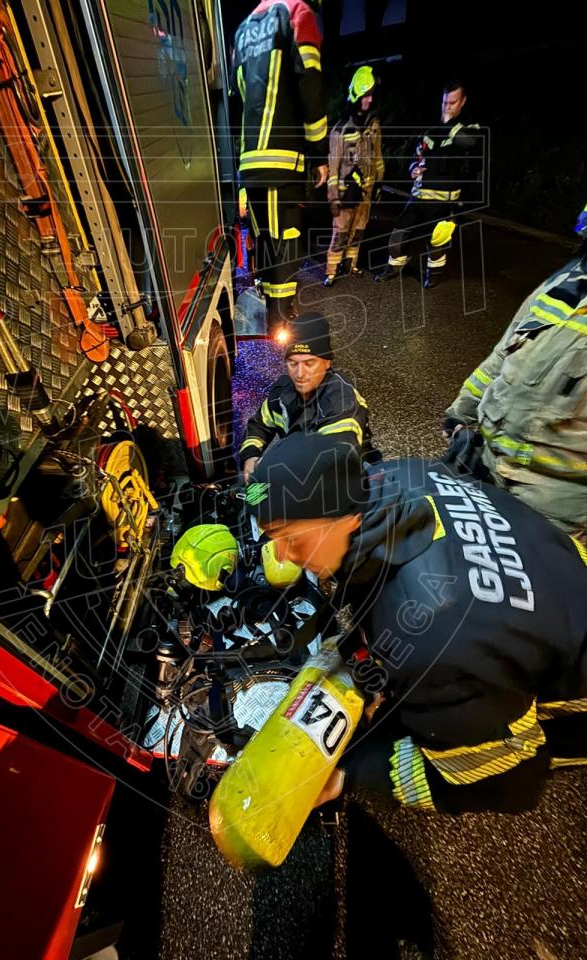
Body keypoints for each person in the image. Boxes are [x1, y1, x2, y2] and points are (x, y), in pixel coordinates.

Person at [244, 430, 587, 813]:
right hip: (563, 579)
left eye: (292, 538)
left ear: (351, 519)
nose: (282, 556)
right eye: (272, 536)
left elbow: (508, 783)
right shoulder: (403, 474)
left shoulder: (436, 641)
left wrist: (352, 772)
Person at [443, 202, 587, 541]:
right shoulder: (568, 279)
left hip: (554, 506)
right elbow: (507, 349)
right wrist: (461, 411)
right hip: (485, 467)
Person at [232, 0, 329, 329]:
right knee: (286, 241)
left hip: (250, 163)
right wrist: (319, 154)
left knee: (264, 240)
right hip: (283, 161)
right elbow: (310, 87)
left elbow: (235, 101)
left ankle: (270, 313)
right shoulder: (297, 14)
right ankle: (280, 320)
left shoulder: (243, 29)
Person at [238, 312, 375, 482]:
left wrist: (277, 467)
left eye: (309, 363)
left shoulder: (341, 400)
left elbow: (335, 456)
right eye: (293, 363)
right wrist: (250, 457)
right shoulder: (282, 392)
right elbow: (259, 425)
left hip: (346, 481)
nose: (300, 374)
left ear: (327, 363)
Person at [374, 80, 482, 289]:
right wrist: (413, 168)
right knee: (398, 233)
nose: (447, 107)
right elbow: (417, 155)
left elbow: (469, 143)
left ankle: (435, 273)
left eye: (452, 103)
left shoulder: (469, 129)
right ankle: (394, 267)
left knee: (437, 239)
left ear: (462, 102)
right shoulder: (430, 130)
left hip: (445, 202)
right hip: (419, 197)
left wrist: (449, 124)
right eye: (444, 102)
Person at [324, 65, 384, 286]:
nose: (370, 100)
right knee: (340, 233)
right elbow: (333, 166)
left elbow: (378, 157)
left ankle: (351, 264)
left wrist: (379, 183)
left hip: (365, 191)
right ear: (357, 95)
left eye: (371, 95)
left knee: (358, 229)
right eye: (366, 95)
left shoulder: (373, 126)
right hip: (345, 193)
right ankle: (331, 271)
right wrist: (333, 197)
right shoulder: (340, 130)